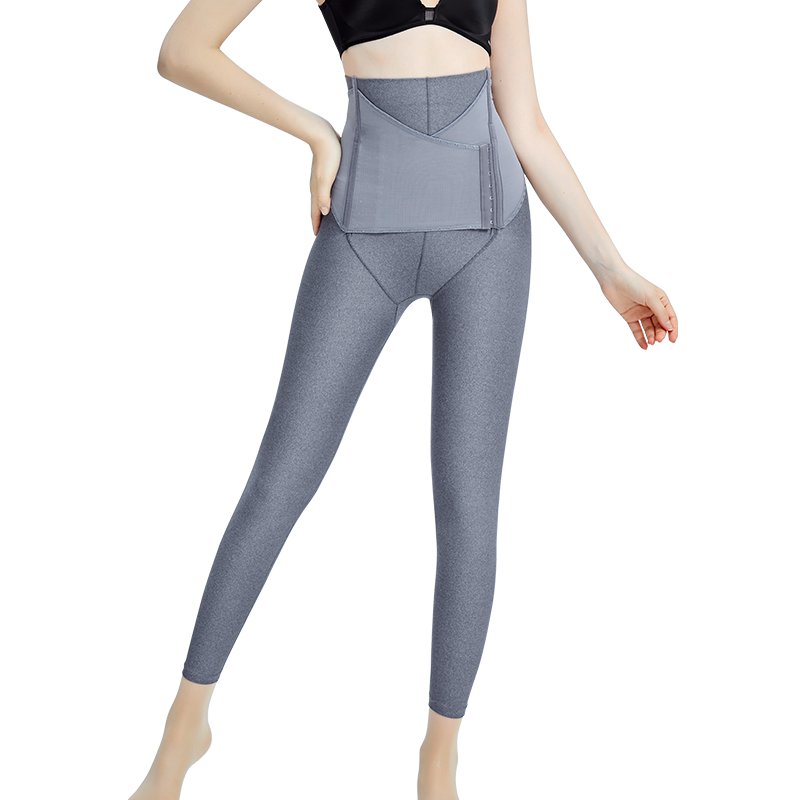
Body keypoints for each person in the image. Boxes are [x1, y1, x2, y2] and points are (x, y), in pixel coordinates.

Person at [130, 0, 678, 797]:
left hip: (489, 236)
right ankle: (184, 728)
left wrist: (611, 270)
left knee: (468, 504)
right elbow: (183, 50)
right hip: (363, 231)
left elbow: (526, 127)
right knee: (278, 484)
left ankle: (437, 764)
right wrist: (316, 135)